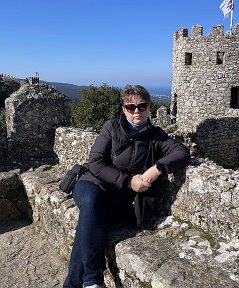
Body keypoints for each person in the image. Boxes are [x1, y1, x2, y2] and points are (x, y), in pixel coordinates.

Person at [63, 85, 190, 288]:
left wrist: (156, 169)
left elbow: (182, 153)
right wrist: (129, 181)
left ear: (149, 108)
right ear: (124, 109)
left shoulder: (155, 136)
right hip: (91, 184)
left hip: (117, 200)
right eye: (131, 107)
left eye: (141, 106)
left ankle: (73, 285)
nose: (136, 111)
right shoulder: (111, 127)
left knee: (88, 224)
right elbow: (95, 162)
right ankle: (92, 280)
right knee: (91, 202)